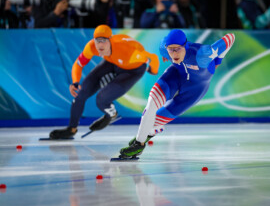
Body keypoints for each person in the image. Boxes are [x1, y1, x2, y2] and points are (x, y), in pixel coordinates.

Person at [119, 29, 235, 158]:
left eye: (177, 49)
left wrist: (218, 61)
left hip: (195, 89)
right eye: (170, 49)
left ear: (185, 46)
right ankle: (138, 144)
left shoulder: (203, 54)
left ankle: (152, 131)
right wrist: (166, 53)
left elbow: (231, 38)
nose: (173, 54)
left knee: (154, 123)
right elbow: (167, 49)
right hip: (175, 76)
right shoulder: (164, 48)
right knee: (151, 106)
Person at [49, 24, 160, 139]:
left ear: (110, 40)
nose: (100, 45)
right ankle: (71, 129)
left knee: (101, 99)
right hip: (113, 62)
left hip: (132, 71)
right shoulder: (91, 47)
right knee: (81, 92)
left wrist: (153, 70)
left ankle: (111, 114)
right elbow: (78, 64)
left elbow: (153, 58)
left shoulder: (129, 50)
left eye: (104, 41)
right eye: (98, 41)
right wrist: (75, 82)